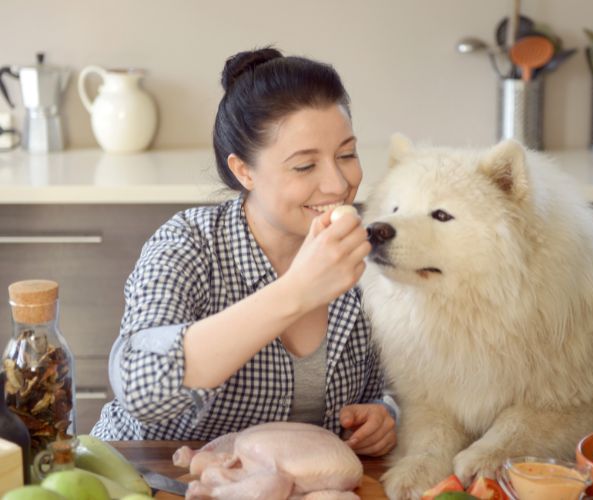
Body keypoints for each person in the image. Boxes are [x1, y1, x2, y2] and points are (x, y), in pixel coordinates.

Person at [91, 47, 397, 457]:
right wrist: (296, 292)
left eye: (347, 154)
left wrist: (387, 413)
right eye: (305, 166)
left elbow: (406, 382)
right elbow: (140, 388)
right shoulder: (189, 244)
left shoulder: (373, 245)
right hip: (153, 475)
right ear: (244, 171)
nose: (338, 183)